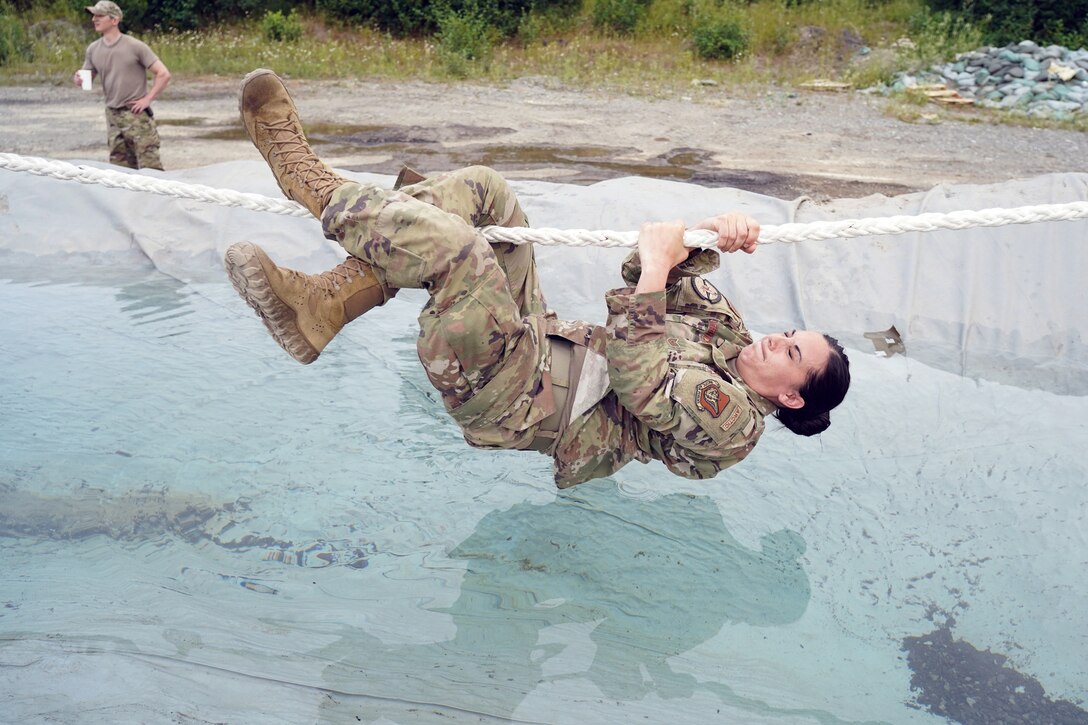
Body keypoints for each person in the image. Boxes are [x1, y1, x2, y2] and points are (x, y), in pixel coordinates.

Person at [223, 69, 851, 489]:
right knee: (489, 195)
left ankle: (310, 181)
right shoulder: (730, 333)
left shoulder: (735, 424)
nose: (777, 339)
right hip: (537, 339)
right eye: (791, 332)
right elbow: (642, 272)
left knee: (459, 252)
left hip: (518, 400)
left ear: (793, 395)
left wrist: (659, 266)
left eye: (792, 353)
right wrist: (707, 235)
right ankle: (326, 306)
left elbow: (640, 378)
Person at [73, 1, 171, 170]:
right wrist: (78, 79)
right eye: (93, 16)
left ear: (114, 20)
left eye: (100, 15)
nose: (94, 19)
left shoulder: (134, 46)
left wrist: (147, 99)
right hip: (112, 115)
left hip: (135, 115)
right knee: (120, 171)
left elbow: (163, 74)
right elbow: (87, 77)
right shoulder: (93, 49)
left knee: (150, 169)